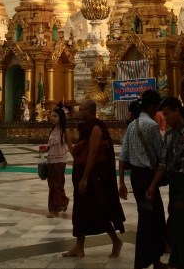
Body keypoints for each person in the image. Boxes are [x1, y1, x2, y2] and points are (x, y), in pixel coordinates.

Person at [147, 96, 184, 269]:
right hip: (174, 183)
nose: (165, 118)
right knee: (181, 224)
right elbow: (163, 163)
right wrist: (153, 185)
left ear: (177, 112)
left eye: (167, 114)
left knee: (179, 225)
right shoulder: (170, 134)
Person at [63, 99, 125, 259]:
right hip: (83, 174)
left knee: (98, 210)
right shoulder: (86, 127)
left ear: (88, 111)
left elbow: (92, 154)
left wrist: (84, 178)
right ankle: (79, 247)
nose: (77, 111)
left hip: (93, 178)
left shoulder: (96, 128)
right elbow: (81, 152)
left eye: (81, 109)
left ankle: (116, 240)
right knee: (80, 211)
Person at [119, 89, 167, 269]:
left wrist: (121, 182)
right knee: (152, 219)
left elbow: (123, 155)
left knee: (147, 215)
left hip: (136, 177)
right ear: (153, 106)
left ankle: (153, 259)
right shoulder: (152, 126)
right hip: (148, 178)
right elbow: (161, 156)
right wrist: (154, 185)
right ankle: (144, 261)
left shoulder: (132, 124)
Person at [47, 106, 72, 218]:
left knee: (56, 184)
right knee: (51, 184)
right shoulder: (51, 130)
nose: (52, 118)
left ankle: (54, 209)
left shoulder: (65, 131)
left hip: (60, 160)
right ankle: (64, 200)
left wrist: (78, 158)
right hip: (50, 160)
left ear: (61, 117)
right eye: (52, 116)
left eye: (55, 116)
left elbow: (70, 147)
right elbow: (49, 146)